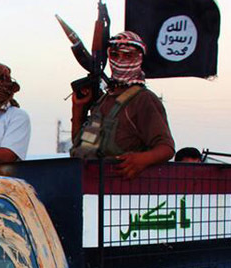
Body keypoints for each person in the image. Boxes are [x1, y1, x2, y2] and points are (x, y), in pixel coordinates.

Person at [71, 31, 175, 178]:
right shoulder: (104, 100)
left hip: (121, 191)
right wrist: (78, 109)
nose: (120, 60)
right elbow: (83, 147)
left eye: (128, 56)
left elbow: (166, 148)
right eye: (115, 55)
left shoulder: (143, 99)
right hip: (90, 187)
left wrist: (141, 160)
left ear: (139, 59)